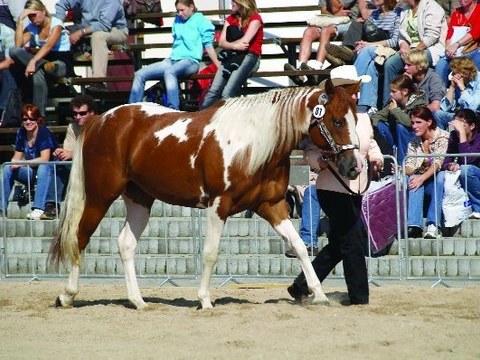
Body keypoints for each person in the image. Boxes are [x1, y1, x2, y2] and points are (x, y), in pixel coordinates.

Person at [287, 65, 384, 306]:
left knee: (341, 243)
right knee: (353, 240)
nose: (356, 95)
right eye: (352, 91)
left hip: (357, 186)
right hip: (331, 187)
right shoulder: (327, 118)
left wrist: (377, 156)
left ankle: (301, 285)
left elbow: (368, 143)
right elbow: (309, 150)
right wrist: (317, 161)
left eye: (357, 91)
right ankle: (359, 297)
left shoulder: (362, 118)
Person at [128, 0, 220, 110]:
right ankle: (131, 108)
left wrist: (218, 65)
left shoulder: (201, 21)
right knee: (140, 74)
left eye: (182, 10)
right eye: (178, 11)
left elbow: (209, 46)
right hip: (172, 60)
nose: (180, 13)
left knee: (169, 72)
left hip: (190, 61)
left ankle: (173, 108)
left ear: (191, 7)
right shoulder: (177, 20)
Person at [325, 0, 400, 114]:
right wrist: (361, 45)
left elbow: (395, 41)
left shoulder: (396, 14)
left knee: (366, 51)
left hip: (389, 50)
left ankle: (349, 90)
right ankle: (367, 106)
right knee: (371, 66)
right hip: (375, 49)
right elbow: (370, 36)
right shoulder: (375, 14)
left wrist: (368, 45)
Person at [283, 0, 372, 85]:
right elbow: (324, 11)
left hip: (350, 22)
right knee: (308, 32)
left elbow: (336, 7)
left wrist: (336, 13)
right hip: (332, 21)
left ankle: (316, 69)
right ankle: (300, 70)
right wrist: (336, 14)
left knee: (325, 31)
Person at [9, 0, 74, 118]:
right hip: (43, 61)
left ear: (43, 11)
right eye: (30, 17)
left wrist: (33, 61)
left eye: (34, 15)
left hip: (61, 60)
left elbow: (49, 45)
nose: (33, 19)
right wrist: (20, 21)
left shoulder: (56, 23)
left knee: (44, 68)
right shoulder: (32, 27)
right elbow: (18, 45)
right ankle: (40, 117)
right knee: (13, 52)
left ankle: (39, 116)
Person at [381, 0, 447, 107]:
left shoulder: (432, 6)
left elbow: (432, 35)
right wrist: (403, 45)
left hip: (428, 48)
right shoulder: (405, 9)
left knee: (414, 61)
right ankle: (388, 104)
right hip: (410, 49)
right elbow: (401, 35)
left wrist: (414, 51)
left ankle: (409, 102)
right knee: (390, 64)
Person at [200, 0, 263, 109]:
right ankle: (201, 118)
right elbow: (221, 42)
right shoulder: (230, 19)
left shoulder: (255, 19)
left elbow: (244, 42)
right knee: (213, 91)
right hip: (231, 56)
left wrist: (229, 44)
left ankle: (225, 121)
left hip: (249, 56)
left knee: (228, 92)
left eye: (234, 1)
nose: (231, 3)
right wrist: (234, 46)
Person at [54, 0, 129, 92]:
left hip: (114, 30)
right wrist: (59, 27)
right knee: (59, 35)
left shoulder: (112, 1)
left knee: (98, 36)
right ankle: (64, 79)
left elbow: (104, 25)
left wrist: (80, 33)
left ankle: (98, 81)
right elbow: (61, 5)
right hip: (85, 29)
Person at [42, 94, 96, 220]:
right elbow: (68, 150)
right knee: (58, 163)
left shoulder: (99, 125)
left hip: (97, 167)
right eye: (75, 114)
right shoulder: (73, 126)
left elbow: (99, 153)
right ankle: (51, 205)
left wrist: (72, 154)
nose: (78, 117)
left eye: (82, 113)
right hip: (79, 166)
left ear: (92, 112)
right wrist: (61, 152)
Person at [0, 104, 58, 219]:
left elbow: (44, 158)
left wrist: (22, 163)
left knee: (43, 166)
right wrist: (14, 163)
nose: (28, 122)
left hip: (48, 173)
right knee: (7, 168)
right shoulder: (21, 132)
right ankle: (1, 209)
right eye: (25, 119)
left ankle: (38, 208)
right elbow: (16, 157)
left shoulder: (43, 132)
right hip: (32, 172)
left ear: (38, 120)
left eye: (32, 119)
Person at [404, 106, 449, 239]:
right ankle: (414, 226)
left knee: (438, 178)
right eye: (412, 123)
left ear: (429, 122)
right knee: (413, 179)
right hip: (422, 179)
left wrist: (421, 178)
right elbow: (410, 166)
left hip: (439, 179)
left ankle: (433, 224)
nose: (414, 126)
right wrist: (402, 169)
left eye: (418, 122)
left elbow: (438, 163)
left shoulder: (443, 137)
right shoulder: (413, 142)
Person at [370, 74, 426, 163]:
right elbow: (378, 116)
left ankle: (402, 164)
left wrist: (395, 111)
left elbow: (410, 123)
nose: (390, 94)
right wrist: (369, 125)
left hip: (413, 139)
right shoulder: (394, 103)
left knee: (401, 127)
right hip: (395, 138)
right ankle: (388, 160)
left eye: (394, 91)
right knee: (380, 125)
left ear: (405, 91)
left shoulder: (418, 104)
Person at [441, 109, 480, 220]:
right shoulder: (454, 135)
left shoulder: (478, 137)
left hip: (477, 175)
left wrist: (462, 134)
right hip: (468, 179)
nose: (457, 126)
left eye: (462, 123)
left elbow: (469, 159)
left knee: (466, 169)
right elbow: (446, 160)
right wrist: (450, 165)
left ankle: (478, 207)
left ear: (472, 126)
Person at [434, 0, 480, 86]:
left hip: (473, 47)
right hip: (455, 49)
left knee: (475, 60)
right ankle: (440, 96)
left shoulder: (479, 10)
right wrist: (448, 49)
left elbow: (476, 33)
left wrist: (456, 44)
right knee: (440, 64)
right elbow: (449, 34)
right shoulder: (457, 12)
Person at [403, 49, 446, 125]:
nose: (405, 67)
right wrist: (404, 83)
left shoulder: (434, 79)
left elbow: (435, 106)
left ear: (420, 67)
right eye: (405, 64)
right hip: (411, 118)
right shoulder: (409, 78)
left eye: (409, 65)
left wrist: (414, 113)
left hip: (428, 120)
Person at [435, 56, 480, 127]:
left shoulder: (478, 81)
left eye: (455, 73)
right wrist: (452, 87)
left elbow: (473, 108)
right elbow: (445, 108)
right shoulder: (459, 81)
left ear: (466, 74)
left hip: (476, 118)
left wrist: (462, 88)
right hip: (460, 116)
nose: (453, 75)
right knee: (438, 114)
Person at [0, 22, 17, 117]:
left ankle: (4, 110)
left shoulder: (8, 33)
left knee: (8, 73)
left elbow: (10, 61)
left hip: (10, 68)